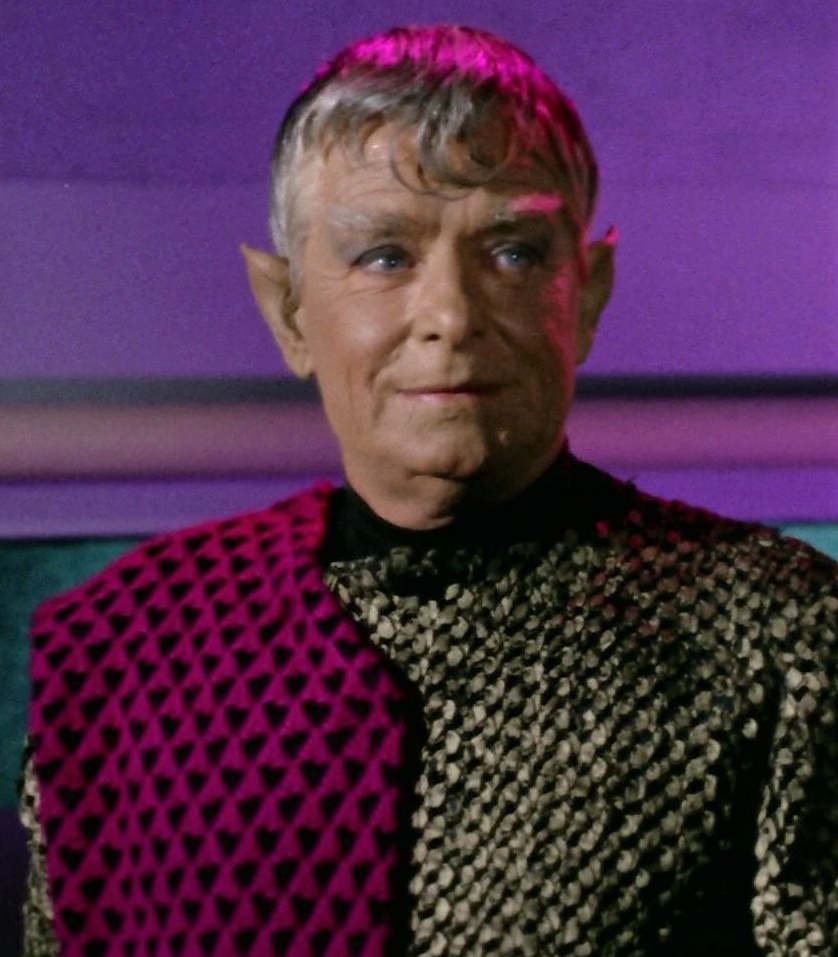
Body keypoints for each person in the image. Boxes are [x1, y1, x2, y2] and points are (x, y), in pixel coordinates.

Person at [21, 23, 837, 957]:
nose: (449, 314)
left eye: (514, 251)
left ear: (588, 292)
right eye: (384, 256)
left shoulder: (779, 640)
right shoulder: (125, 652)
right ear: (288, 311)